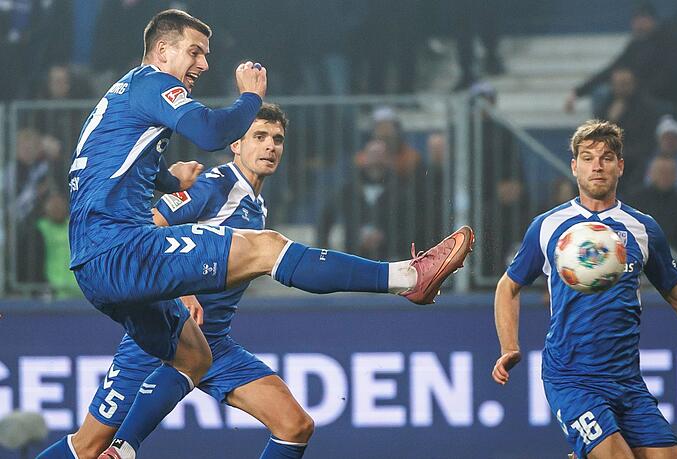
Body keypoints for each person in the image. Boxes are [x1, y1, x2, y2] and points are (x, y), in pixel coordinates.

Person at [60, 10, 474, 459]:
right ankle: (408, 278)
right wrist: (249, 99)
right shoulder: (175, 118)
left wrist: (166, 178)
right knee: (269, 247)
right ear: (163, 50)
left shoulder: (126, 99)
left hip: (157, 298)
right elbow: (208, 132)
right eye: (193, 51)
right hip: (120, 252)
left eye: (277, 139)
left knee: (288, 422)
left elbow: (109, 162)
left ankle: (121, 451)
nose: (201, 64)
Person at [39, 104, 308, 458]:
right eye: (258, 136)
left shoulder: (256, 206)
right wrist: (180, 291)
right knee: (89, 447)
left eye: (277, 139)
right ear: (236, 145)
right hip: (163, 336)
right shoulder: (214, 185)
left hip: (214, 345)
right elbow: (149, 228)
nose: (270, 146)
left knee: (295, 426)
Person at [491, 120, 677, 459]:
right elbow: (508, 286)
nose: (597, 165)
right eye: (588, 157)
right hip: (571, 378)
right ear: (574, 166)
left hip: (626, 380)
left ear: (620, 166)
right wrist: (509, 346)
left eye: (607, 157)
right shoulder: (548, 226)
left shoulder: (643, 228)